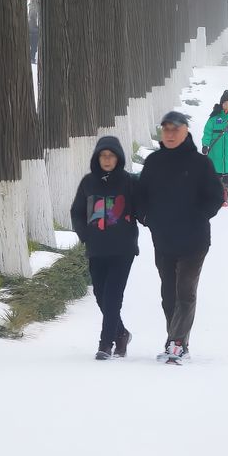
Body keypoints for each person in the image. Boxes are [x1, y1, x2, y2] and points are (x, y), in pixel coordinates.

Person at [135, 110, 225, 364]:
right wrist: (147, 218)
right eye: (166, 129)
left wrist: (199, 216)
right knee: (168, 294)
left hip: (194, 240)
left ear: (186, 131)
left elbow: (216, 196)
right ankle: (178, 340)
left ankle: (175, 343)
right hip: (163, 240)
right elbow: (140, 195)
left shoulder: (200, 163)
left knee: (185, 291)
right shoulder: (154, 162)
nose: (170, 134)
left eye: (175, 129)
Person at [70, 135, 138, 360]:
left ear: (118, 158)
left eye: (111, 156)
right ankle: (121, 333)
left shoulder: (129, 182)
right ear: (97, 158)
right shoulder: (88, 182)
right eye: (103, 156)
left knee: (112, 297)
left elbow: (142, 207)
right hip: (97, 249)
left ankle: (105, 343)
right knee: (100, 294)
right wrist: (85, 234)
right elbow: (77, 212)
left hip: (122, 250)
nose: (107, 160)